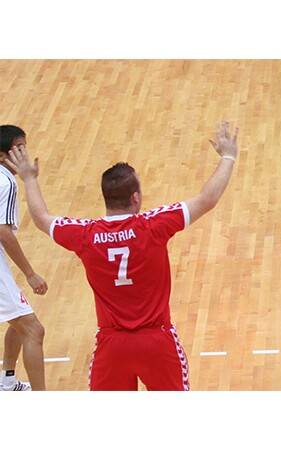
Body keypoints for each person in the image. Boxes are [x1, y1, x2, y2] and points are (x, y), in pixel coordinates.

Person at [7, 120, 239, 390]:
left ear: (106, 198)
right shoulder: (153, 226)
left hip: (112, 345)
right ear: (135, 198)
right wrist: (228, 156)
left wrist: (29, 179)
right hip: (158, 341)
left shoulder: (85, 235)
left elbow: (41, 218)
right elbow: (206, 200)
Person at [0, 125, 48, 391]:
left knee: (20, 318)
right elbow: (3, 233)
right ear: (1, 156)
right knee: (33, 330)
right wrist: (30, 273)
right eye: (17, 149)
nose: (24, 154)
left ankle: (7, 381)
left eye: (24, 147)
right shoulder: (5, 181)